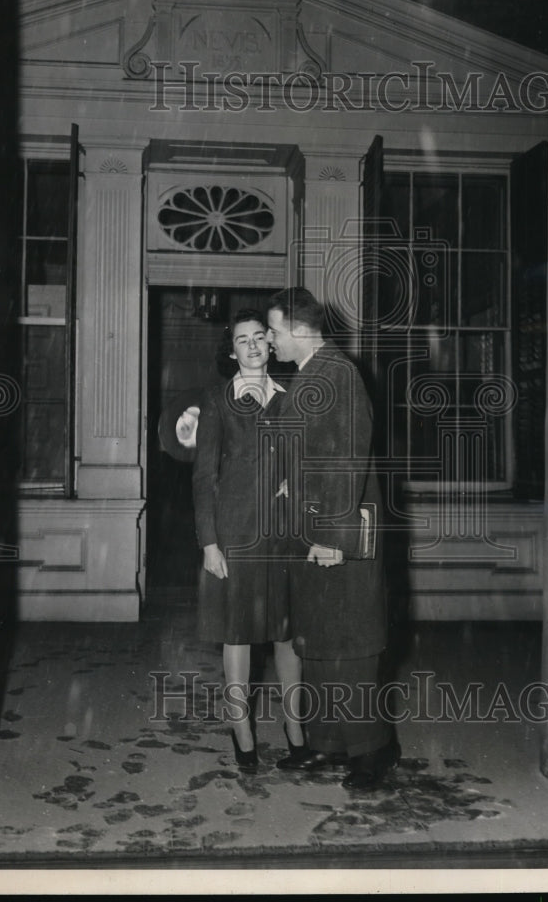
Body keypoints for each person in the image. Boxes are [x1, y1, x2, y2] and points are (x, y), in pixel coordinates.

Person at [266, 287, 401, 791]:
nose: (271, 341)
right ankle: (332, 742)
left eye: (275, 331)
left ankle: (374, 752)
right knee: (321, 643)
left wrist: (329, 537)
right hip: (312, 534)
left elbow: (346, 462)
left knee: (350, 648)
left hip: (335, 537)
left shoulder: (337, 375)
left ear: (299, 330)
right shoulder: (310, 376)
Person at [192, 309, 304, 772]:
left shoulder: (292, 395)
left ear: (271, 344)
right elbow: (204, 475)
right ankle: (242, 733)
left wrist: (291, 483)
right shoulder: (217, 401)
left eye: (261, 337)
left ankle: (296, 730)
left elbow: (306, 460)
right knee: (237, 634)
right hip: (235, 534)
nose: (255, 346)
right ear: (231, 350)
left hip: (282, 536)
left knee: (287, 635)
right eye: (244, 340)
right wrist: (209, 542)